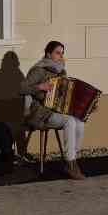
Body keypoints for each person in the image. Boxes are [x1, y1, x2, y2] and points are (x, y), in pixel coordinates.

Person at [20, 41, 87, 180]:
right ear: (48, 54)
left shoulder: (61, 71)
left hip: (57, 111)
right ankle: (70, 164)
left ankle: (72, 159)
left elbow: (66, 95)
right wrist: (39, 87)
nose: (60, 56)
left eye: (62, 53)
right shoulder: (38, 70)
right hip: (40, 113)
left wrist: (87, 105)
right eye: (57, 52)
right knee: (69, 122)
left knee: (79, 121)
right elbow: (21, 88)